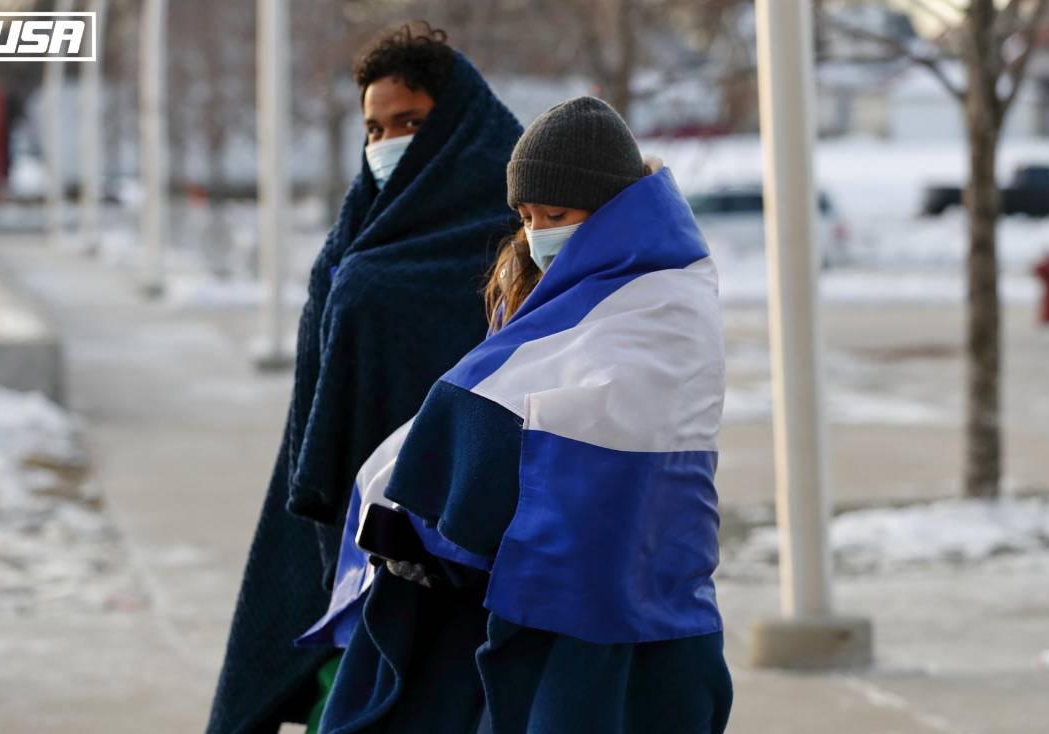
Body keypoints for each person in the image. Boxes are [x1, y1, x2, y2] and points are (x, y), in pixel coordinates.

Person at [297, 97, 732, 734]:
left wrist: (431, 496)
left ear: (611, 208)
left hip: (636, 581)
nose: (538, 234)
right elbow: (500, 392)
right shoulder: (544, 287)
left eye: (556, 215)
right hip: (547, 587)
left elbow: (579, 416)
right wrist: (416, 511)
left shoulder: (665, 296)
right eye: (527, 216)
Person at [205, 23, 523, 734]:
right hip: (351, 522)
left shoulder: (512, 224)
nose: (387, 143)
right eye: (374, 128)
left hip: (458, 532)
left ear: (457, 124)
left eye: (409, 122)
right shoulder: (363, 224)